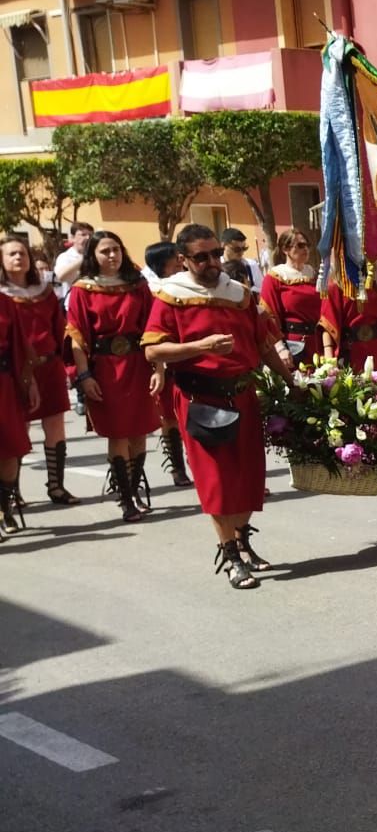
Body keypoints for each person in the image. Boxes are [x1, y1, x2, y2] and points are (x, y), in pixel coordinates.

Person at [143, 224, 295, 588]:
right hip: (200, 398)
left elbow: (263, 345)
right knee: (217, 482)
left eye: (214, 254)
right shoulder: (171, 295)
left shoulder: (239, 294)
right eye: (201, 256)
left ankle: (243, 541)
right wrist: (201, 347)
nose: (212, 262)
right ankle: (229, 554)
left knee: (247, 479)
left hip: (242, 394)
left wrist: (292, 383)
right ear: (183, 260)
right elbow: (153, 349)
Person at [66, 231, 160, 522]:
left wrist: (159, 368)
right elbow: (77, 337)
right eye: (105, 251)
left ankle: (134, 487)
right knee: (118, 432)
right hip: (106, 368)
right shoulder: (83, 289)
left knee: (139, 430)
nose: (112, 256)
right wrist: (84, 376)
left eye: (116, 250)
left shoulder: (138, 285)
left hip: (139, 364)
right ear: (93, 255)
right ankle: (126, 498)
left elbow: (154, 329)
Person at [0, 235, 77, 506]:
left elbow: (60, 327)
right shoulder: (2, 297)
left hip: (49, 365)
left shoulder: (44, 291)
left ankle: (56, 487)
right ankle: (13, 491)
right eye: (11, 254)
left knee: (55, 426)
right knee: (18, 431)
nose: (19, 258)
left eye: (22, 253)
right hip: (17, 372)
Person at [142, 241, 192, 489]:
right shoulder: (152, 291)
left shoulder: (186, 286)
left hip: (188, 355)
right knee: (169, 418)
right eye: (176, 257)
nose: (181, 260)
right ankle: (177, 466)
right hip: (164, 359)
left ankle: (195, 460)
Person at [0, 251, 42, 534]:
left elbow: (20, 346)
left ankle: (5, 507)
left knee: (10, 448)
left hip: (4, 384)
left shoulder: (5, 302)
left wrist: (29, 382)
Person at [320, 259, 377, 374]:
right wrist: (329, 362)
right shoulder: (335, 287)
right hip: (352, 354)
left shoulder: (375, 284)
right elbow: (327, 325)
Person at [259, 229, 324, 363]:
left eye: (307, 245)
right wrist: (280, 347)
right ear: (285, 249)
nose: (305, 249)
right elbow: (269, 316)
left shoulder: (315, 274)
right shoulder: (275, 278)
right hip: (295, 346)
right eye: (300, 245)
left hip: (319, 343)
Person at [50, 222, 93, 291]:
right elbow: (60, 276)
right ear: (73, 238)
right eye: (83, 235)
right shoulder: (65, 257)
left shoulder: (95, 256)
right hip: (73, 298)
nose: (88, 238)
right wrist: (83, 258)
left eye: (90, 235)